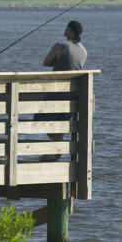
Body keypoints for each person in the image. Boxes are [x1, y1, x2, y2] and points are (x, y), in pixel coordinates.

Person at [38, 20, 87, 161]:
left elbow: (46, 62)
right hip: (73, 93)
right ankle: (56, 150)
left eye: (67, 28)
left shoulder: (60, 46)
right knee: (62, 122)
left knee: (40, 119)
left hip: (57, 90)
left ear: (70, 31)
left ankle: (56, 147)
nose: (65, 30)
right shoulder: (84, 51)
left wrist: (57, 62)